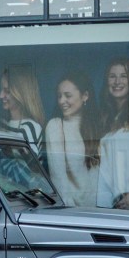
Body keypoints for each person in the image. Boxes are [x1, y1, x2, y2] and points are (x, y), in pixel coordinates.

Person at [96, 58, 129, 211]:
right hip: (116, 208)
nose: (117, 81)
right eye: (112, 76)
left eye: (123, 76)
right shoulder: (106, 119)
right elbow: (105, 173)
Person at [43, 72, 101, 207]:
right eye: (59, 96)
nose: (62, 101)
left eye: (67, 96)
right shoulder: (55, 126)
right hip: (72, 213)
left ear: (85, 96)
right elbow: (59, 179)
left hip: (98, 212)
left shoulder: (94, 126)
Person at [0, 65, 47, 151]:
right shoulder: (1, 123)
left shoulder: (30, 127)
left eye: (7, 91)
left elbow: (28, 163)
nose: (0, 96)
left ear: (20, 93)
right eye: (1, 90)